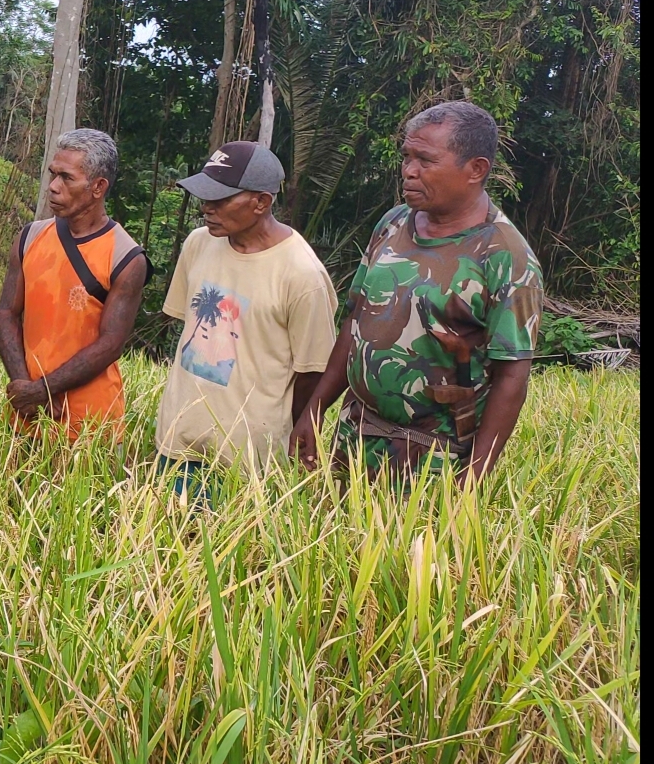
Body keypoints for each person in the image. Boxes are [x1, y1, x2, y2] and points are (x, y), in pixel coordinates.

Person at [291, 101, 542, 484]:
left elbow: (512, 377)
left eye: (425, 160)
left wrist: (473, 479)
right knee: (336, 542)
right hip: (355, 441)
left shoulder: (506, 257)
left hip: (435, 459)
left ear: (476, 170)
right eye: (406, 157)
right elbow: (357, 320)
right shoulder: (392, 224)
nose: (409, 171)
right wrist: (315, 409)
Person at [153, 142, 336, 499]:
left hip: (249, 461)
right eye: (205, 197)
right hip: (178, 441)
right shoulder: (198, 244)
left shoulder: (302, 276)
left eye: (221, 200)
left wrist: (296, 442)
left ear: (261, 203)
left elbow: (313, 372)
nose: (207, 208)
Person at [0, 128, 147, 436]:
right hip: (28, 414)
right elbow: (6, 313)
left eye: (66, 178)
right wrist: (25, 390)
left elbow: (110, 344)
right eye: (53, 175)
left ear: (98, 187)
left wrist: (43, 391)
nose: (52, 187)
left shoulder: (125, 258)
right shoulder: (29, 238)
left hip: (91, 423)